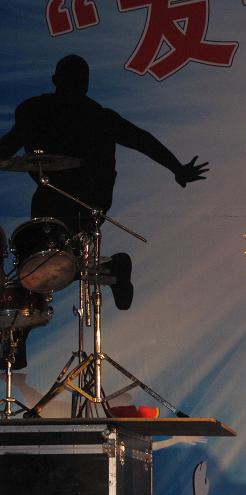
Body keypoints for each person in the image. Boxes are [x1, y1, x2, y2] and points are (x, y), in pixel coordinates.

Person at [0, 54, 208, 368]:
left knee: (42, 265)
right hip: (77, 203)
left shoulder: (39, 111)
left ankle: (16, 345)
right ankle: (110, 268)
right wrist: (176, 168)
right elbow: (142, 140)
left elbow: (6, 148)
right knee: (49, 265)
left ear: (57, 81)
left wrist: (177, 168)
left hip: (71, 204)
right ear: (85, 85)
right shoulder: (94, 115)